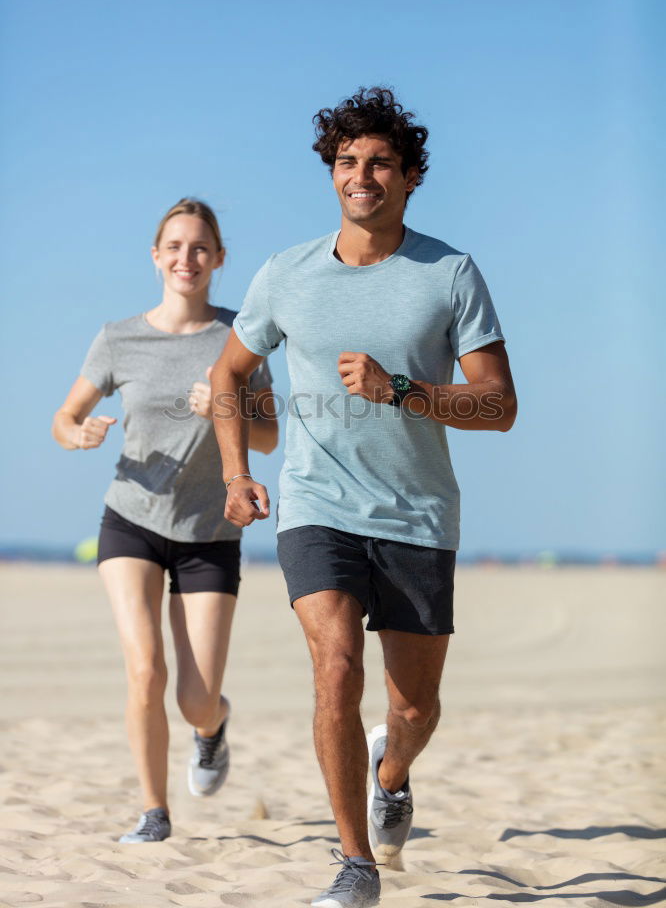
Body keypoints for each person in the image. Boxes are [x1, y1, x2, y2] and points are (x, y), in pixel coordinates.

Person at [211, 88, 517, 907]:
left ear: (411, 176)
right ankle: (355, 863)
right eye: (347, 162)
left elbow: (499, 405)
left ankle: (392, 771)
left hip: (418, 514)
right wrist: (238, 471)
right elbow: (227, 373)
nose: (362, 175)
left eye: (380, 162)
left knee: (415, 705)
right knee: (336, 668)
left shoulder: (449, 272)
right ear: (332, 173)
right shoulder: (287, 273)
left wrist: (405, 392)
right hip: (317, 505)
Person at [52, 198, 277, 843]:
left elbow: (266, 436)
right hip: (132, 520)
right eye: (175, 246)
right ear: (156, 256)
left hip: (211, 533)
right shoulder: (119, 337)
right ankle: (154, 812)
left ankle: (211, 730)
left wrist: (223, 412)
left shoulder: (241, 337)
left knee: (195, 699)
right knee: (146, 669)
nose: (187, 258)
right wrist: (79, 433)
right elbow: (63, 418)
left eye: (200, 247)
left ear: (219, 259)